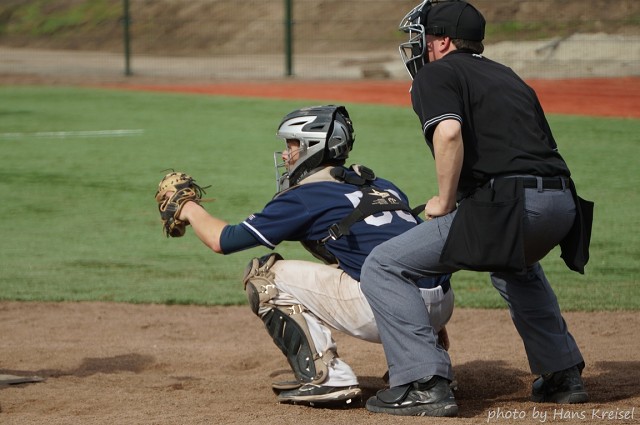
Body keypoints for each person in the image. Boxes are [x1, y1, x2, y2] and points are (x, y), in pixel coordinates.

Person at [360, 0, 593, 417]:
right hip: (563, 206)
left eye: (423, 38)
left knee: (384, 265)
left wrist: (444, 200)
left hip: (511, 206)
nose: (418, 47)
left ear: (444, 41)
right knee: (514, 266)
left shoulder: (436, 73)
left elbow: (449, 133)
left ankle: (423, 383)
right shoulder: (507, 76)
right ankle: (562, 375)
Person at [159, 105, 454, 407]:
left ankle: (327, 378)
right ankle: (418, 361)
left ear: (312, 146)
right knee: (357, 261)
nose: (285, 155)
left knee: (264, 276)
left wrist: (187, 207)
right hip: (438, 306)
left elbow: (223, 240)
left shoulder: (306, 196)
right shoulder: (381, 185)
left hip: (387, 308)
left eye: (291, 146)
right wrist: (432, 324)